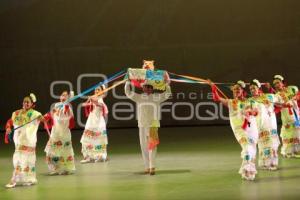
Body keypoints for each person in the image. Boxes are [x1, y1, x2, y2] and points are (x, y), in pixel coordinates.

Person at [210, 80, 259, 180]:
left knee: (252, 149)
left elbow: (256, 112)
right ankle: (246, 170)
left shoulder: (250, 101)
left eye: (238, 89)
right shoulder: (231, 102)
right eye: (234, 89)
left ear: (242, 91)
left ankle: (248, 171)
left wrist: (250, 112)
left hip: (251, 128)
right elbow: (216, 98)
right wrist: (213, 86)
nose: (236, 90)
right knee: (247, 148)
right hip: (239, 129)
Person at [124, 81, 171, 175]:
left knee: (152, 145)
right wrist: (127, 82)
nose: (148, 89)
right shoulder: (139, 97)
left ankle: (152, 166)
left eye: (149, 87)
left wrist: (166, 84)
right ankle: (147, 166)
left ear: (152, 88)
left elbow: (167, 93)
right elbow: (128, 92)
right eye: (146, 87)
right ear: (143, 88)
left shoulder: (157, 97)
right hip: (142, 124)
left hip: (153, 125)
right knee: (143, 146)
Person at [5, 93, 44, 188]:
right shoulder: (16, 113)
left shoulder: (35, 113)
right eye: (24, 102)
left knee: (29, 160)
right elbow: (10, 122)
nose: (26, 103)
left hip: (29, 140)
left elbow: (43, 120)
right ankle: (14, 179)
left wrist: (41, 118)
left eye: (28, 102)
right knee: (18, 158)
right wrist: (8, 128)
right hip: (19, 140)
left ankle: (29, 179)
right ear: (22, 103)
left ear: (31, 104)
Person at [248, 79, 280, 170]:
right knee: (262, 144)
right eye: (250, 89)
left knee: (271, 144)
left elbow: (281, 102)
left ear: (258, 88)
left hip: (270, 125)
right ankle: (265, 162)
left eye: (254, 88)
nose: (252, 90)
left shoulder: (269, 97)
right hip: (258, 125)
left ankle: (273, 163)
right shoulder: (250, 100)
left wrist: (275, 110)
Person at [44, 91, 76, 175]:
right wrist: (46, 116)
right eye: (62, 95)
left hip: (64, 132)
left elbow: (67, 113)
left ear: (68, 98)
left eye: (65, 96)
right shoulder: (56, 105)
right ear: (60, 97)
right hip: (55, 132)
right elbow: (51, 114)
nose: (63, 96)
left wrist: (66, 104)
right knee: (52, 151)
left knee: (65, 151)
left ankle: (66, 169)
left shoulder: (68, 107)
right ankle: (55, 169)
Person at [272, 75, 300, 158]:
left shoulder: (292, 88)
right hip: (286, 116)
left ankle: (297, 151)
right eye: (275, 84)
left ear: (282, 82)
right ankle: (287, 151)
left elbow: (299, 95)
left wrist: (294, 98)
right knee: (288, 134)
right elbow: (277, 107)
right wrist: (284, 105)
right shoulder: (276, 95)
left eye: (278, 82)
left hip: (296, 114)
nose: (276, 85)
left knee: (297, 133)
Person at [80, 86, 109, 163]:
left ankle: (100, 156)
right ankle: (88, 157)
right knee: (87, 139)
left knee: (99, 140)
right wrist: (88, 100)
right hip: (91, 121)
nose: (96, 90)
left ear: (101, 91)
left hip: (98, 122)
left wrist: (92, 99)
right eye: (96, 89)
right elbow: (83, 105)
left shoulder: (100, 99)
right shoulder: (93, 98)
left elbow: (98, 103)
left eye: (98, 89)